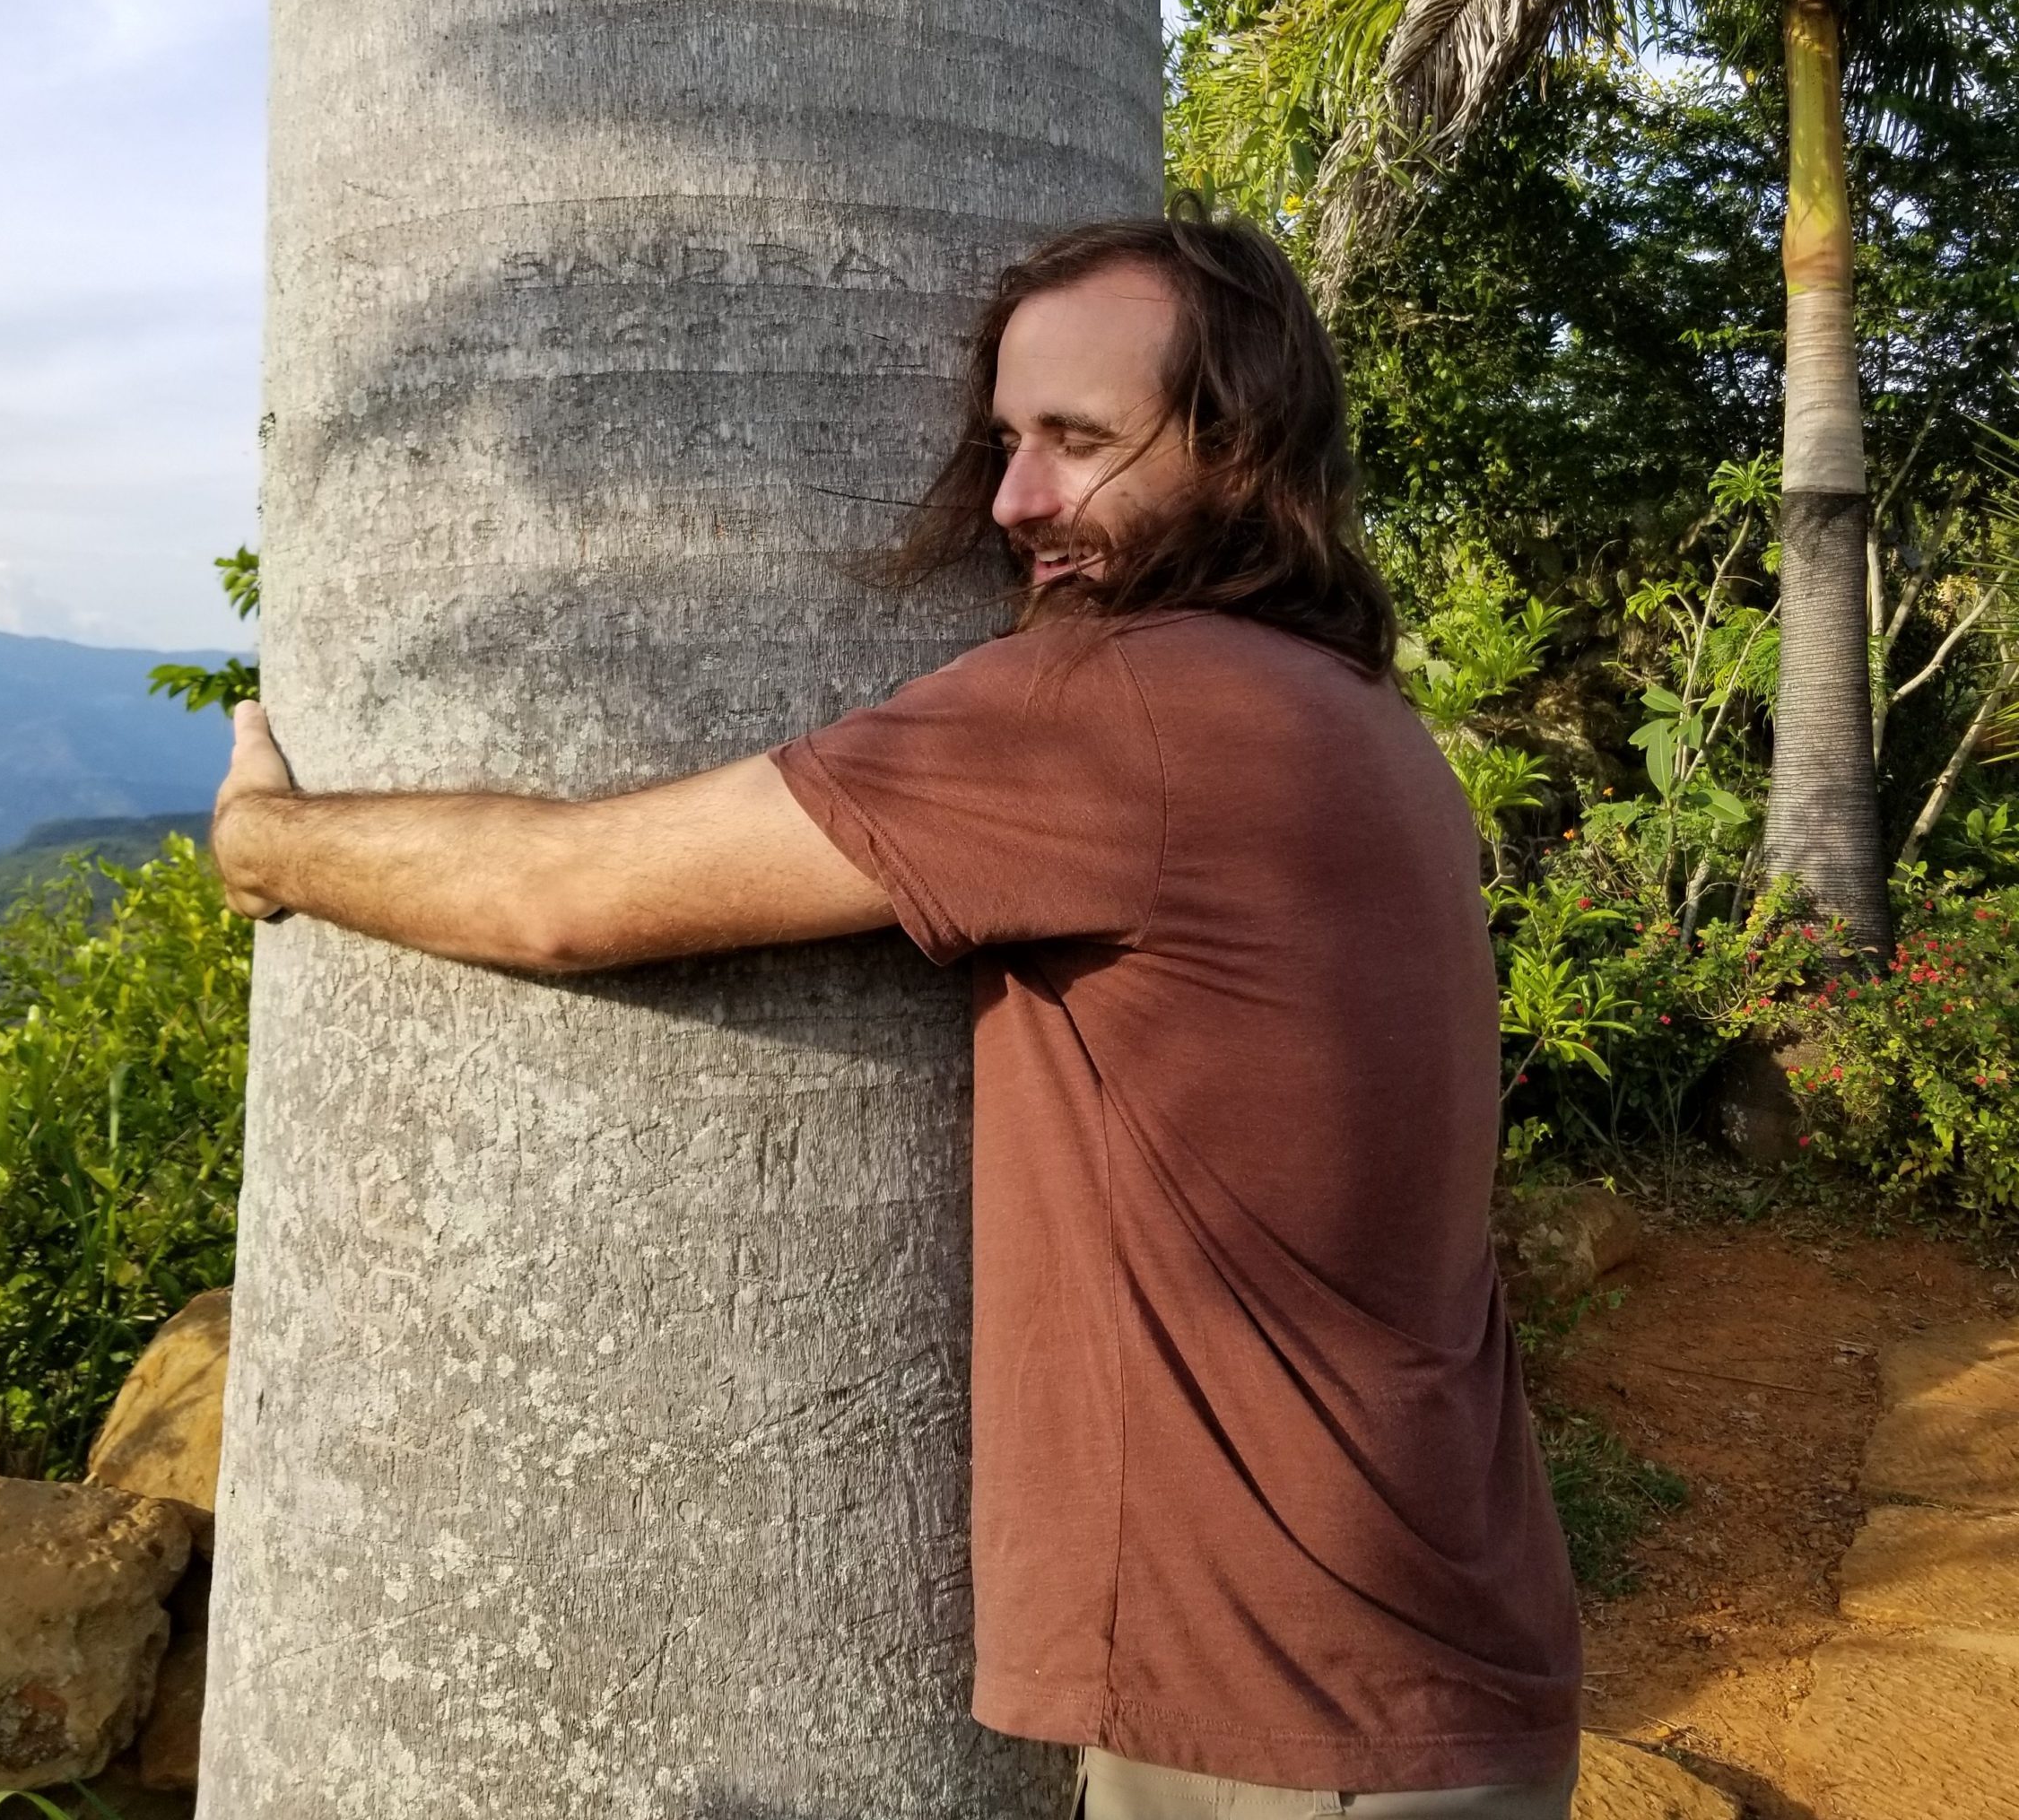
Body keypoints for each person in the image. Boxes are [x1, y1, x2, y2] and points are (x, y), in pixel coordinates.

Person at [212, 203, 1584, 1817]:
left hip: (1284, 1715)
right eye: (1007, 438)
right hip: (1431, 1646)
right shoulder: (1354, 715)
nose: (1015, 500)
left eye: (1078, 440)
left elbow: (567, 898)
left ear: (1241, 442)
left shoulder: (1120, 710)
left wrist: (271, 841)